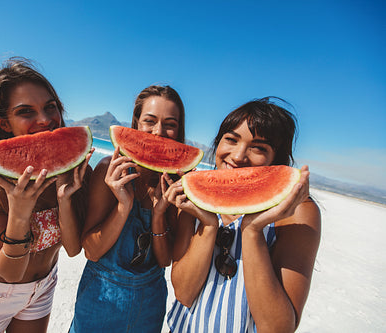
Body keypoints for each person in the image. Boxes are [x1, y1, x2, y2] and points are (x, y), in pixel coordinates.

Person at [0, 57, 92, 332]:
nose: (45, 120)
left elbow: (73, 250)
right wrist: (20, 211)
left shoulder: (73, 174)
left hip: (43, 288)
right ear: (3, 122)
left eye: (51, 107)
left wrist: (65, 199)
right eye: (26, 111)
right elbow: (10, 273)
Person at [166, 97, 321, 332]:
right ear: (217, 144)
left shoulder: (297, 213)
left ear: (276, 160)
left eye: (259, 147)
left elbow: (277, 328)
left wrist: (253, 231)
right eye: (231, 139)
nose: (238, 156)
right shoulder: (194, 198)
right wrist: (208, 226)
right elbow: (184, 294)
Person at [69, 85, 186, 332]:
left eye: (170, 124)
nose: (158, 132)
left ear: (179, 130)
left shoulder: (178, 184)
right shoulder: (107, 170)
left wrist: (158, 215)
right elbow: (91, 251)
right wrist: (124, 205)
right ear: (136, 123)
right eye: (150, 121)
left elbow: (164, 260)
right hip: (100, 298)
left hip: (150, 303)